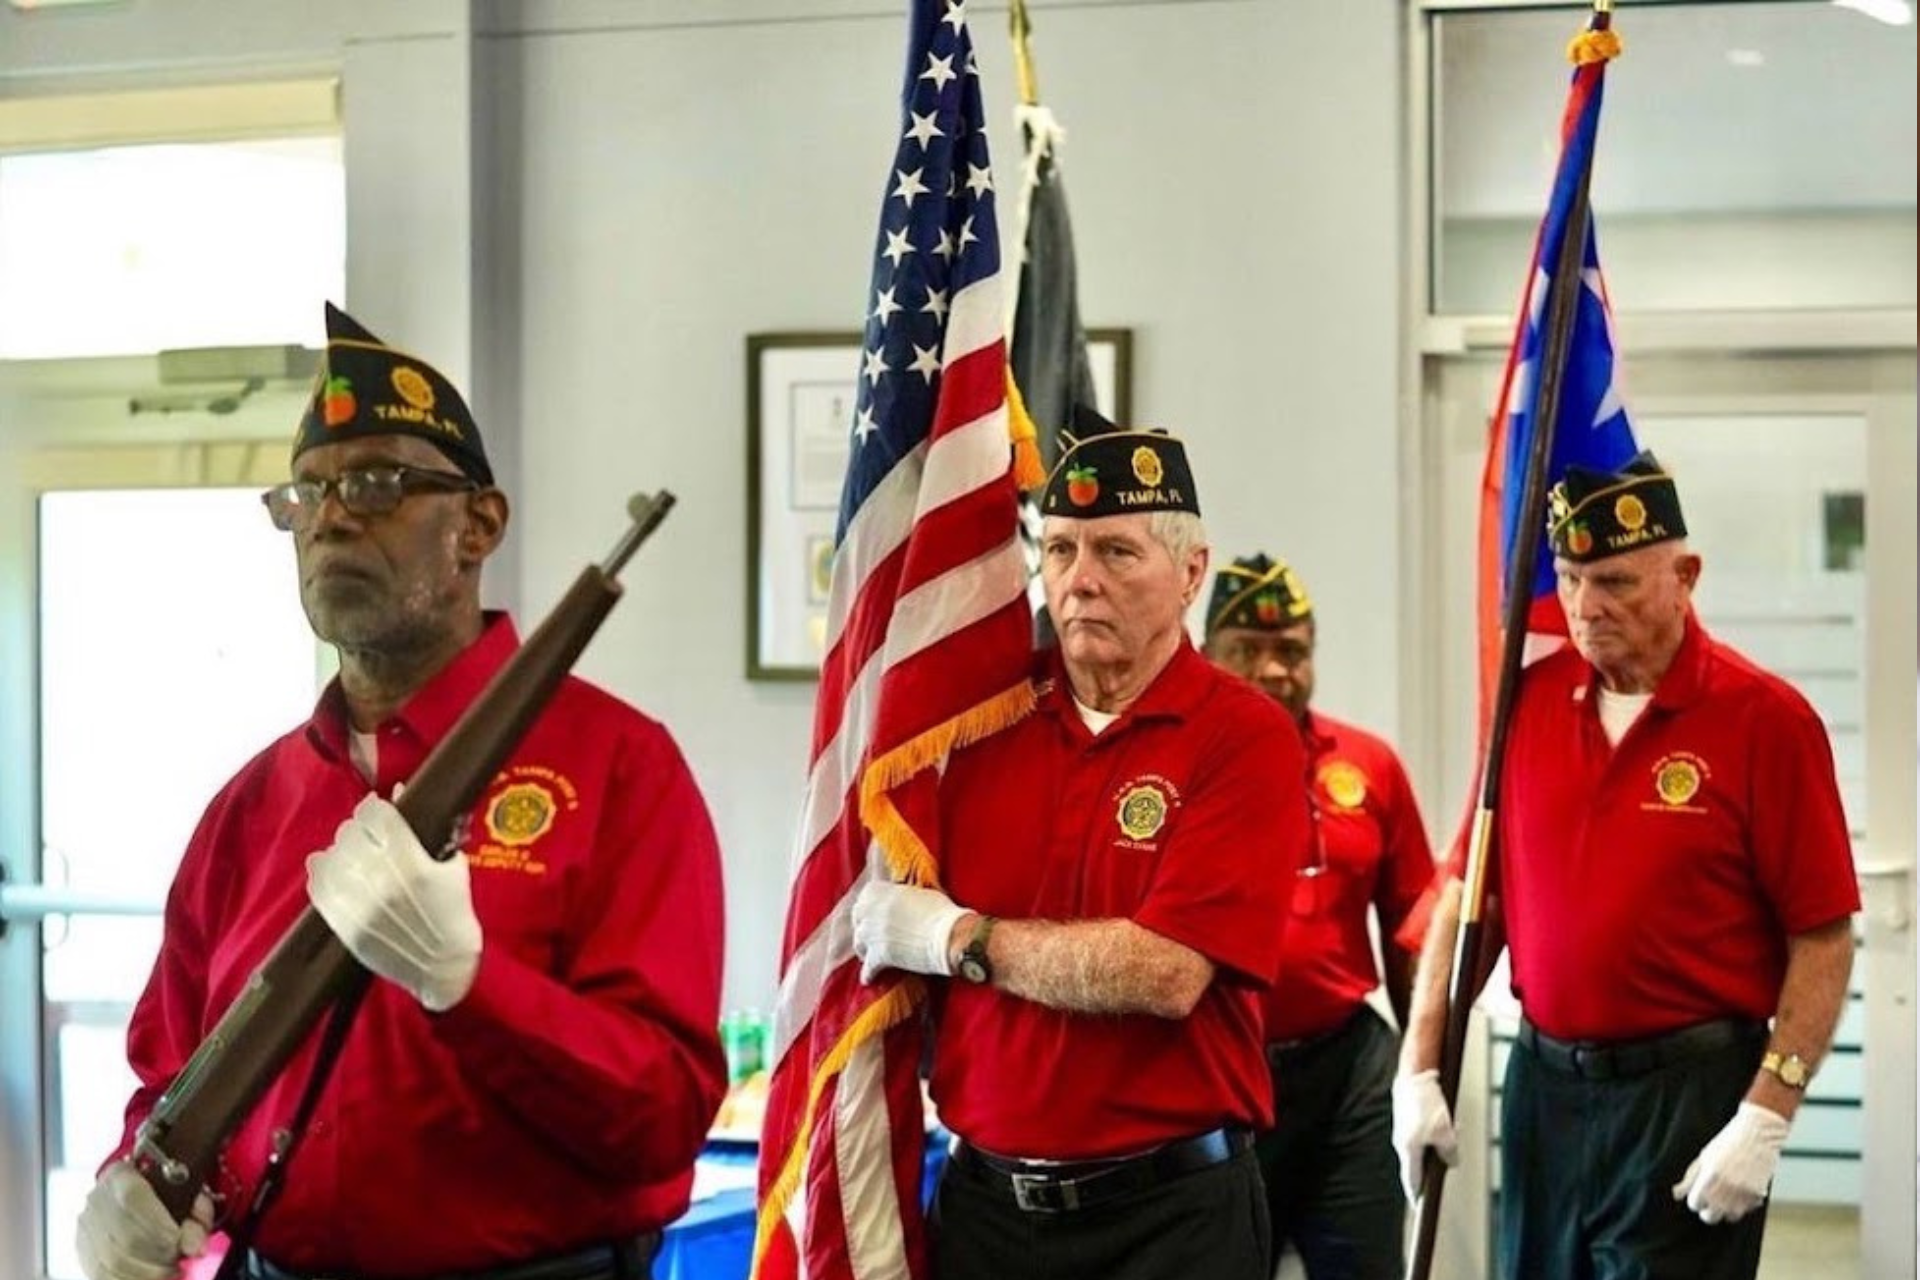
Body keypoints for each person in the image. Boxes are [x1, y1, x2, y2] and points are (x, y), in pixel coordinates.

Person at [75, 302, 728, 1280]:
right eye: (305, 493)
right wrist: (127, 1188)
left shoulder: (623, 768)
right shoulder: (245, 809)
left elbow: (665, 1113)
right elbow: (172, 1077)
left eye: (376, 483)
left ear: (478, 524)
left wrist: (472, 987)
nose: (331, 515)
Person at [850, 406, 1310, 1280]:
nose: (1079, 580)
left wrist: (957, 939)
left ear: (1191, 572)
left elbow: (1164, 973)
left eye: (1116, 552)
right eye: (1059, 550)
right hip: (987, 1212)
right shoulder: (979, 723)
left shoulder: (1242, 735)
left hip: (1167, 1223)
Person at [1393, 452, 1859, 1280]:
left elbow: (1822, 935)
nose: (1585, 608)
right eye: (1570, 579)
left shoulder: (1764, 720)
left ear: (1686, 575)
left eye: (1615, 582)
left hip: (1687, 1092)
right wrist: (1418, 1064)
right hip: (1544, 1087)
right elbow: (1470, 896)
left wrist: (1769, 1108)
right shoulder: (1526, 704)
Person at [1203, 553, 1433, 1280]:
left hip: (1348, 1074)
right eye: (1250, 652)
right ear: (1207, 654)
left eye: (1293, 652)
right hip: (1216, 1078)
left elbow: (1411, 934)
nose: (1275, 671)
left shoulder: (1369, 766)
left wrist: (1427, 1073)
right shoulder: (1174, 772)